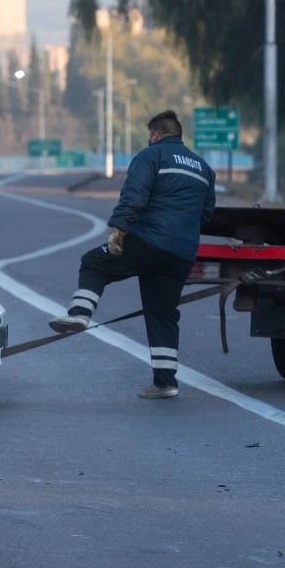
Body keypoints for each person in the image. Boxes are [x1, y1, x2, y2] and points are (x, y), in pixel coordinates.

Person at [50, 110, 217, 399]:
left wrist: (119, 229)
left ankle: (79, 314)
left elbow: (134, 196)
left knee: (94, 263)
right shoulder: (203, 168)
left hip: (149, 241)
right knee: (162, 314)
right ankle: (166, 382)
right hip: (182, 253)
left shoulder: (150, 156)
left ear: (154, 134)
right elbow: (205, 214)